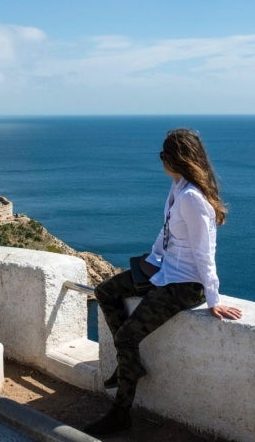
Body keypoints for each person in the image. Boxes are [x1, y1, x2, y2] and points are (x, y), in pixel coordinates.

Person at [84, 128, 243, 437]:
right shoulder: (178, 188)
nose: (160, 162)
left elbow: (204, 253)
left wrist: (214, 299)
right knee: (105, 291)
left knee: (127, 337)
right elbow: (167, 230)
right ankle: (129, 365)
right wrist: (152, 259)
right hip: (164, 271)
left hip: (184, 285)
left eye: (162, 156)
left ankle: (121, 413)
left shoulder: (194, 199)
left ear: (175, 159)